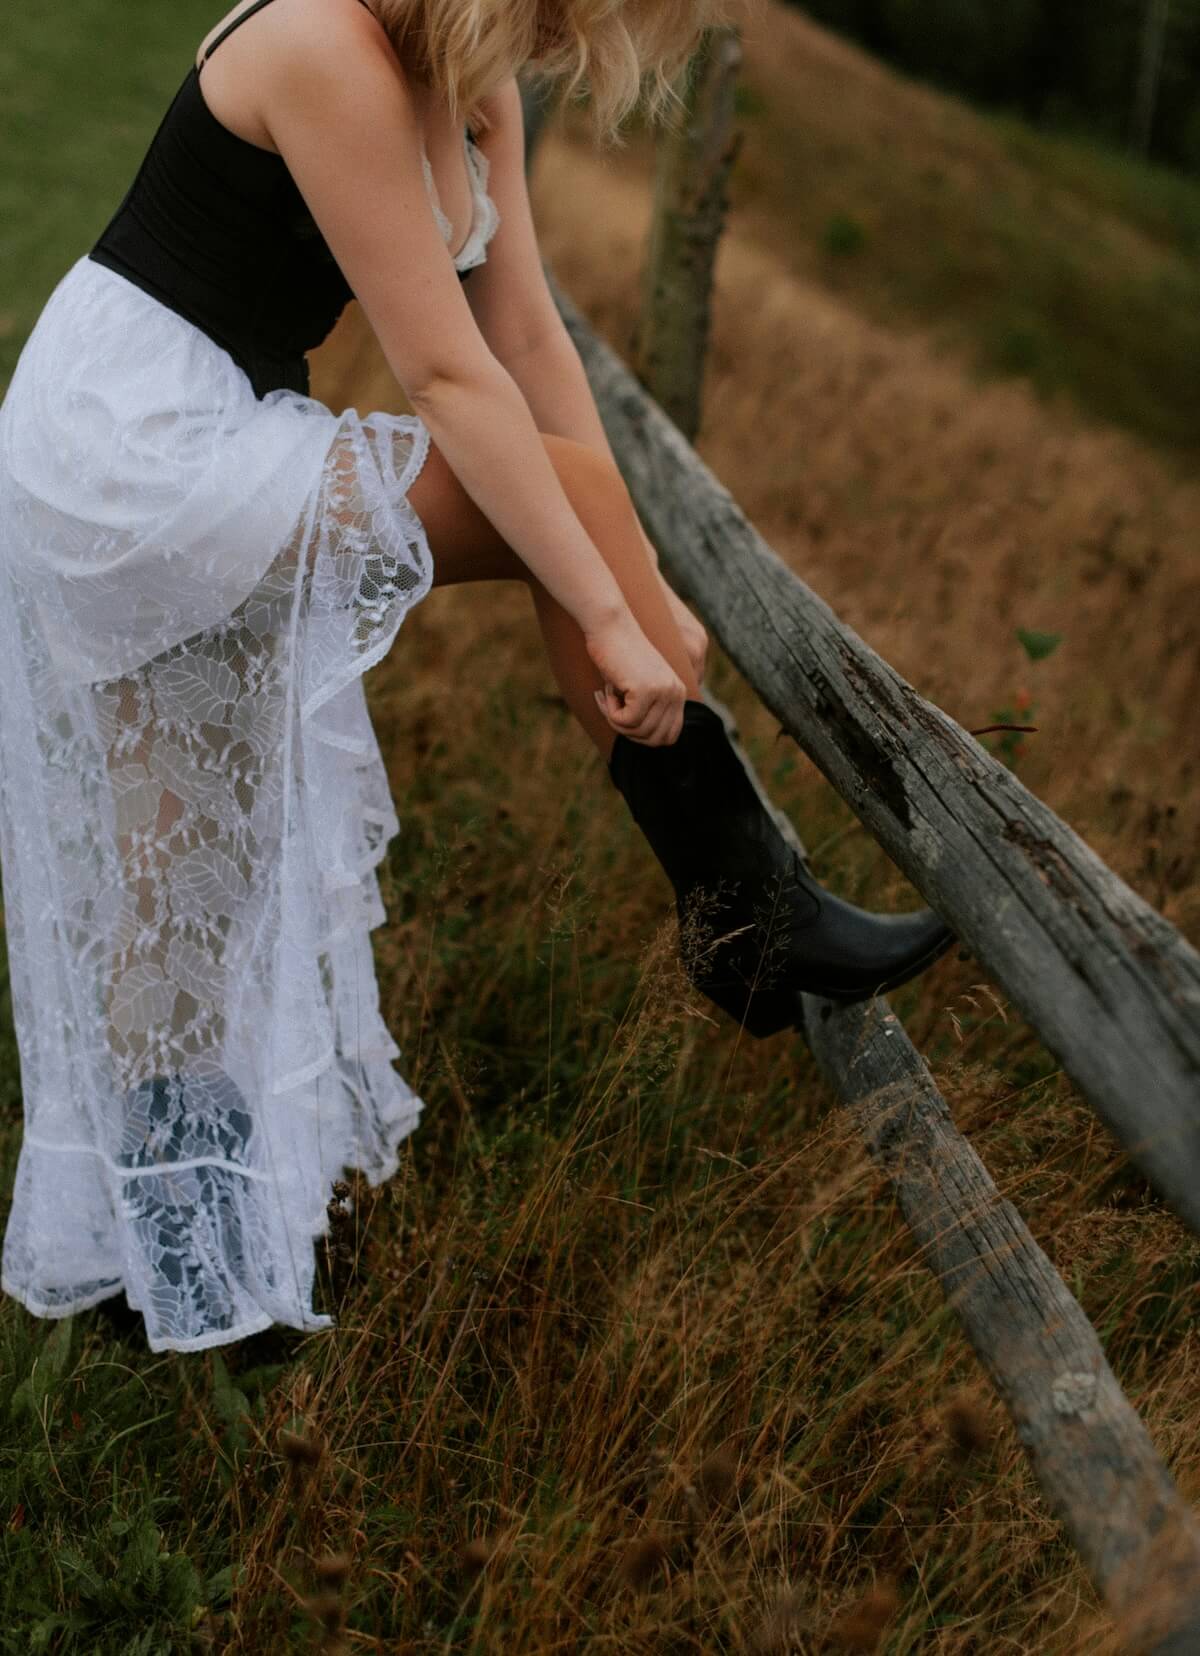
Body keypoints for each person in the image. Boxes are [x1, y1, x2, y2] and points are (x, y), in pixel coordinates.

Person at [0, 0, 953, 1354]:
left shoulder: (479, 84)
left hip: (200, 426)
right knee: (192, 851)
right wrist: (603, 606)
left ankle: (163, 1272)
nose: (600, 24)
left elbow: (529, 348)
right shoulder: (324, 43)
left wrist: (633, 583)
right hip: (130, 437)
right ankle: (742, 901)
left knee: (184, 868)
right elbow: (447, 376)